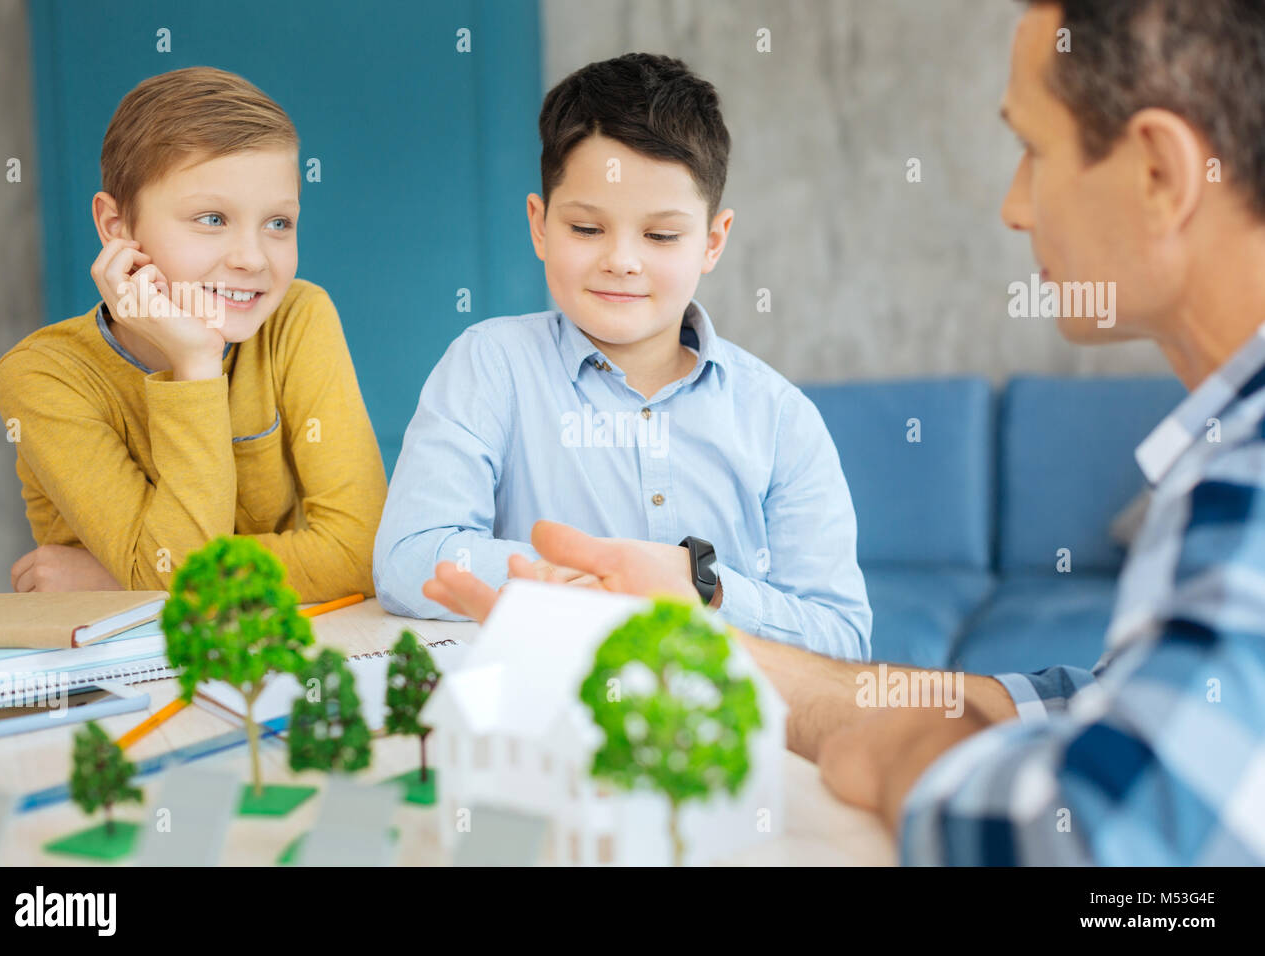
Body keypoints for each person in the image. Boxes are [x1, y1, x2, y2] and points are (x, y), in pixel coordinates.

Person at [419, 0, 1265, 864]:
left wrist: (909, 744)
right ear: (541, 222)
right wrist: (671, 620)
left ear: (1159, 172)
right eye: (589, 226)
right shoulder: (1226, 459)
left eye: (1032, 151)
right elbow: (1104, 705)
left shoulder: (1243, 477)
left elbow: (1110, 848)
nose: (1012, 206)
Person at [373, 54, 871, 658]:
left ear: (712, 242)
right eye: (587, 229)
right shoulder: (489, 365)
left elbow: (843, 642)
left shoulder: (779, 418)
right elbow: (408, 558)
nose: (622, 261)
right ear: (540, 224)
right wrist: (600, 580)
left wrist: (700, 587)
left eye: (661, 236)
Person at [0, 67, 387, 601]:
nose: (251, 258)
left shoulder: (298, 317)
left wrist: (120, 578)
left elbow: (359, 555)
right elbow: (167, 569)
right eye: (210, 219)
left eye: (278, 223)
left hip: (264, 656)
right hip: (119, 668)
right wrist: (197, 364)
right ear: (116, 228)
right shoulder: (44, 375)